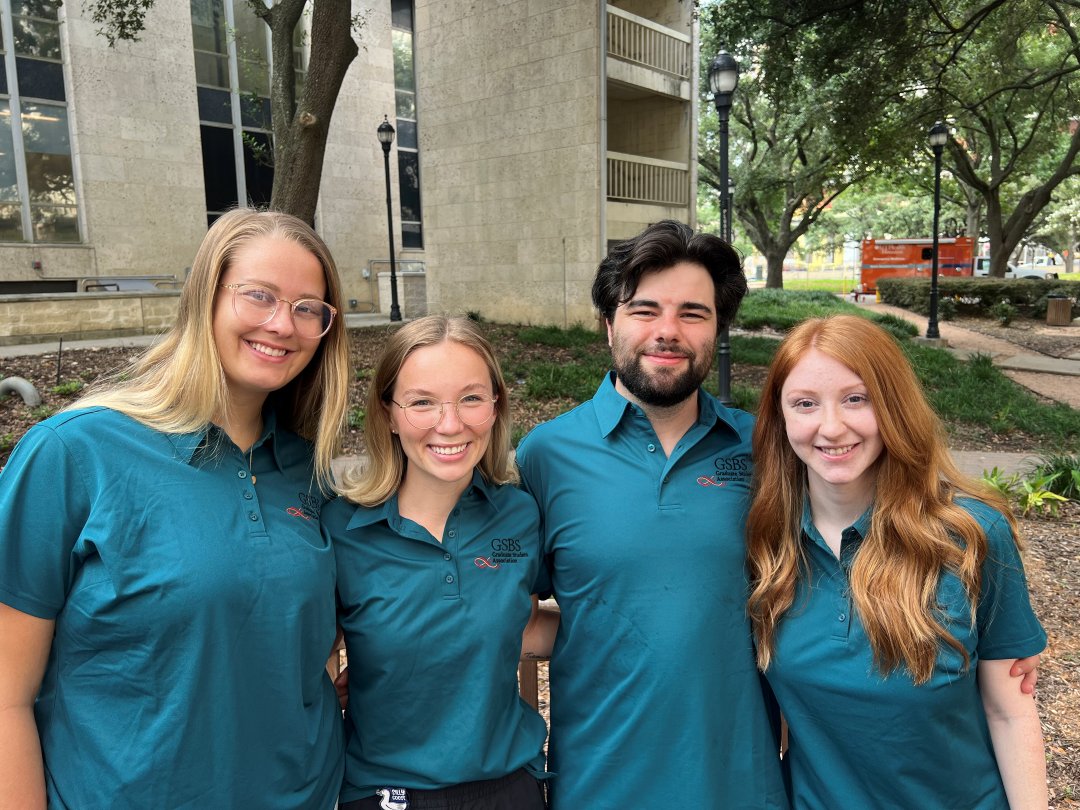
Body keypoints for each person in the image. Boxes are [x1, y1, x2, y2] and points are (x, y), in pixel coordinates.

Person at [0, 208, 350, 809]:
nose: (281, 324)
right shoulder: (74, 453)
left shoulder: (310, 474)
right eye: (259, 296)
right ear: (204, 299)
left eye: (306, 307)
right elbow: (5, 694)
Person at [515, 220, 789, 809]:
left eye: (693, 313)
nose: (668, 331)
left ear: (718, 328)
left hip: (741, 781)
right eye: (644, 310)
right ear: (609, 323)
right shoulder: (547, 454)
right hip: (599, 781)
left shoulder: (766, 448)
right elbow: (507, 602)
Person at [746, 314, 1047, 809]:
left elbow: (1009, 711)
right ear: (779, 419)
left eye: (856, 399)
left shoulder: (970, 535)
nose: (831, 426)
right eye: (805, 404)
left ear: (893, 406)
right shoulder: (766, 545)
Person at [326, 315, 548, 810]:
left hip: (509, 787)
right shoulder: (340, 528)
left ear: (495, 406)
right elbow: (304, 654)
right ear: (388, 413)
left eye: (471, 398)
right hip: (387, 792)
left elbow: (524, 619)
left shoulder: (519, 515)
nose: (450, 424)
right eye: (422, 402)